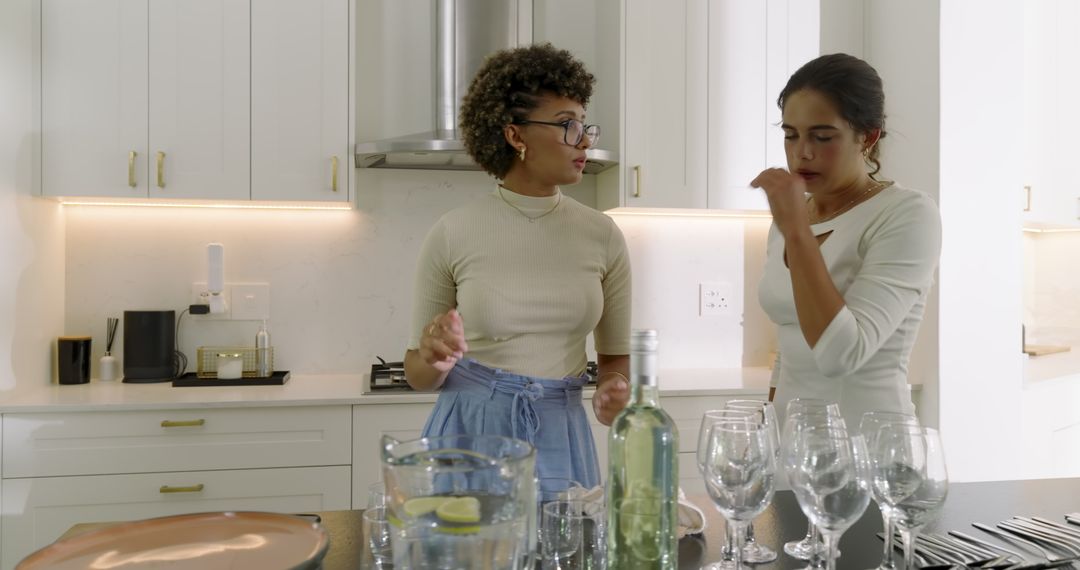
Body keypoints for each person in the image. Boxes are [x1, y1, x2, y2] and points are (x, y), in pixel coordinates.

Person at [404, 43, 631, 491]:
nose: (584, 140)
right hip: (469, 436)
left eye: (585, 125)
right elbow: (418, 375)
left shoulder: (603, 234)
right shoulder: (453, 231)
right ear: (515, 135)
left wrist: (615, 394)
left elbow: (614, 362)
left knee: (565, 557)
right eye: (568, 125)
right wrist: (434, 355)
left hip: (562, 433)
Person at [752, 53, 942, 430]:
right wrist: (768, 437)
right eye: (791, 135)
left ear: (867, 137)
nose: (801, 152)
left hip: (871, 456)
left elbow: (841, 354)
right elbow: (790, 350)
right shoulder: (792, 219)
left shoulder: (907, 214)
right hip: (793, 454)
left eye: (822, 137)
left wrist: (796, 231)